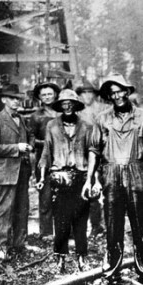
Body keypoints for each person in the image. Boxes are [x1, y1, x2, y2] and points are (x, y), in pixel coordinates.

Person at [83, 73, 143, 285]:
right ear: (109, 96)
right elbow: (93, 150)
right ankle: (112, 273)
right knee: (113, 224)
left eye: (120, 91)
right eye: (113, 93)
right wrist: (90, 179)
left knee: (140, 224)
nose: (117, 96)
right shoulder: (102, 119)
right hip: (110, 173)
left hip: (136, 171)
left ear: (128, 91)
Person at [37, 89, 93, 273]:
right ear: (60, 106)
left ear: (76, 106)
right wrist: (41, 176)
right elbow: (46, 151)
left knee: (80, 219)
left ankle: (81, 258)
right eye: (64, 104)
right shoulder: (52, 126)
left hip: (80, 177)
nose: (67, 107)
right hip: (59, 177)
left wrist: (94, 179)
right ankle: (60, 259)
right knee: (61, 220)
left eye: (71, 103)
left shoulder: (86, 127)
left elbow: (92, 154)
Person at [0, 83, 34, 261]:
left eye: (18, 99)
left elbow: (31, 134)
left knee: (22, 207)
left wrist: (30, 146)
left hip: (22, 170)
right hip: (6, 171)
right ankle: (2, 246)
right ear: (4, 99)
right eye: (12, 98)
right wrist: (16, 147)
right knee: (5, 209)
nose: (16, 102)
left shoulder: (21, 118)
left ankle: (20, 243)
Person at [75, 78, 108, 237]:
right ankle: (81, 226)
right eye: (84, 93)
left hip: (102, 154)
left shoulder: (103, 109)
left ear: (94, 94)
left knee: (101, 189)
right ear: (80, 95)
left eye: (90, 93)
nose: (87, 96)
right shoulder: (77, 111)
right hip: (81, 154)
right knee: (82, 189)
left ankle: (98, 226)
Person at [28, 81, 60, 239]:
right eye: (44, 94)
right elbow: (31, 139)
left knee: (66, 195)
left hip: (63, 159)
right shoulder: (36, 116)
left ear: (55, 94)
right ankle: (46, 232)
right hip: (44, 160)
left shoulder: (62, 112)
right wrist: (47, 143)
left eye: (50, 94)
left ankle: (67, 231)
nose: (47, 97)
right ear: (39, 97)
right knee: (46, 197)